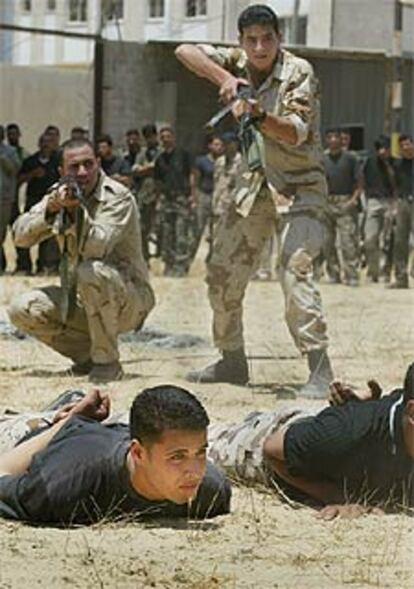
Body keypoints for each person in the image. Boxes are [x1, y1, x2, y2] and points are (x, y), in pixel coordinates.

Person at [176, 4, 333, 397]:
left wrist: (257, 114)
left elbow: (296, 132)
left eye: (267, 39)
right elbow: (184, 51)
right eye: (251, 40)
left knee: (294, 268)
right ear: (241, 42)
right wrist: (226, 77)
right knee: (221, 271)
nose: (260, 48)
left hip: (300, 185)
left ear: (279, 39)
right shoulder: (238, 61)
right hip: (254, 186)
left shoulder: (299, 72)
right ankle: (232, 360)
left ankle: (319, 368)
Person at [8, 138, 155, 382]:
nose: (83, 172)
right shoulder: (60, 193)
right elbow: (20, 237)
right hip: (82, 298)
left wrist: (77, 212)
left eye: (88, 164)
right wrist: (52, 209)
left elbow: (97, 246)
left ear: (98, 163)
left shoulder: (117, 197)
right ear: (62, 171)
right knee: (23, 309)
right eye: (74, 167)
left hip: (129, 299)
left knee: (91, 271)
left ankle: (106, 362)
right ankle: (88, 355)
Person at [0, 385, 231, 525]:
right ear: (138, 454)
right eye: (177, 457)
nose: (194, 471)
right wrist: (65, 424)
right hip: (42, 436)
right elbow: (3, 470)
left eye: (200, 452)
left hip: (106, 432)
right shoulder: (63, 486)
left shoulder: (211, 491)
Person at [209, 364, 414, 519]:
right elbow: (271, 449)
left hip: (325, 427)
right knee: (203, 448)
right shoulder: (343, 435)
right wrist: (338, 496)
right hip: (267, 444)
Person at [15, 133, 60, 275]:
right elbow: (19, 178)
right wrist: (32, 174)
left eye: (49, 142)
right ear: (39, 144)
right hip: (33, 202)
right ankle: (24, 266)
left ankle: (45, 266)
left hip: (52, 202)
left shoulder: (57, 161)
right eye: (43, 142)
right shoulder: (31, 161)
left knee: (49, 234)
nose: (46, 145)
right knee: (28, 231)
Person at [322, 127, 361, 286]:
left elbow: (359, 181)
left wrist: (353, 200)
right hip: (327, 202)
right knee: (327, 242)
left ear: (341, 139)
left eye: (335, 137)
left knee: (348, 242)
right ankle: (333, 274)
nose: (333, 140)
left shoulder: (351, 158)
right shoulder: (322, 159)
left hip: (345, 201)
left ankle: (351, 275)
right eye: (329, 137)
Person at [154, 126, 194, 277]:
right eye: (162, 137)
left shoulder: (183, 155)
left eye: (168, 136)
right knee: (167, 233)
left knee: (181, 232)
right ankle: (169, 264)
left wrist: (192, 195)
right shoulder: (160, 159)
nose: (165, 139)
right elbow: (158, 181)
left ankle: (181, 265)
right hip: (167, 199)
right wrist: (159, 200)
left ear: (173, 138)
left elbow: (191, 174)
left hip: (181, 198)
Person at [362, 135, 397, 283]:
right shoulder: (370, 162)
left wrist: (388, 165)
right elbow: (362, 180)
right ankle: (372, 271)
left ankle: (385, 272)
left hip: (390, 202)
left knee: (387, 240)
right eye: (379, 148)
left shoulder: (395, 163)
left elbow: (397, 184)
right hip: (373, 201)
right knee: (370, 238)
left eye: (385, 148)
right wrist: (364, 201)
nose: (382, 151)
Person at [190, 135, 224, 259]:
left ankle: (212, 259)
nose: (219, 147)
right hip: (204, 195)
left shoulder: (224, 161)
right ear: (209, 146)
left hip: (219, 197)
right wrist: (194, 197)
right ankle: (188, 258)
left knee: (216, 230)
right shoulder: (201, 161)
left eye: (220, 145)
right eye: (216, 144)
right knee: (198, 228)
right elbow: (195, 179)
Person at [132, 124, 162, 262]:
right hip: (144, 195)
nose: (149, 139)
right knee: (143, 228)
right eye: (147, 137)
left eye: (151, 136)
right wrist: (149, 168)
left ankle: (160, 255)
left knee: (161, 227)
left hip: (159, 194)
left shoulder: (162, 152)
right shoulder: (141, 153)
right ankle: (145, 257)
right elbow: (135, 170)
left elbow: (159, 168)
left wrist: (146, 169)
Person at [388, 134, 414, 289]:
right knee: (399, 241)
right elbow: (395, 186)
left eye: (408, 144)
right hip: (404, 202)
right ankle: (401, 277)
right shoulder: (398, 165)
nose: (406, 147)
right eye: (403, 145)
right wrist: (394, 205)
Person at [0, 124, 21, 273]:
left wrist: (2, 157)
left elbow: (14, 169)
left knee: (1, 232)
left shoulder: (11, 151)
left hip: (4, 198)